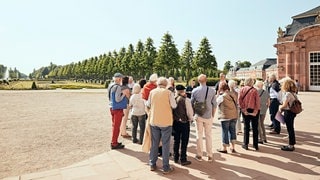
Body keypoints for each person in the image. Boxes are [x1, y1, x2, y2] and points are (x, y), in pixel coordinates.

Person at [146, 77, 177, 174]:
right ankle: (166, 167)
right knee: (165, 144)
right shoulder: (169, 93)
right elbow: (174, 105)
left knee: (154, 143)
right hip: (166, 121)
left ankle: (152, 164)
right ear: (166, 84)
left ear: (158, 84)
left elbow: (148, 104)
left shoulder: (152, 92)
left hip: (154, 120)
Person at [191, 74, 217, 162]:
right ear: (206, 80)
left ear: (198, 81)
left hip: (198, 115)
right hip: (208, 115)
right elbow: (214, 104)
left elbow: (191, 103)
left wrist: (193, 114)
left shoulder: (195, 91)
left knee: (199, 135)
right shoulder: (212, 91)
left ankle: (199, 155)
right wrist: (213, 115)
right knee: (208, 135)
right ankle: (210, 155)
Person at [172, 85, 194, 166]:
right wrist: (191, 119)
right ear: (183, 91)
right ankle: (183, 159)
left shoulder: (173, 99)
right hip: (184, 122)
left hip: (175, 121)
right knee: (184, 141)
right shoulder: (186, 100)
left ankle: (175, 157)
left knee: (176, 140)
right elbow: (189, 112)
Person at [108, 73, 130, 149]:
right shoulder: (117, 87)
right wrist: (123, 94)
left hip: (111, 107)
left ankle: (114, 141)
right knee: (116, 127)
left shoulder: (110, 85)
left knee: (114, 126)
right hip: (117, 109)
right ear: (119, 79)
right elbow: (118, 99)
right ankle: (114, 143)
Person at [238, 77, 260, 151]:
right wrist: (256, 111)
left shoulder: (242, 89)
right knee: (255, 128)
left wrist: (243, 110)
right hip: (253, 109)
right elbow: (257, 102)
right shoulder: (254, 90)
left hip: (246, 109)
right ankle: (255, 145)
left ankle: (245, 144)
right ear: (252, 82)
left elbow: (239, 100)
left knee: (246, 127)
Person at [216, 82, 238, 153]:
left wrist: (218, 93)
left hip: (225, 116)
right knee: (233, 130)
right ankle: (233, 147)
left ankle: (224, 148)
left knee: (225, 131)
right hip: (234, 115)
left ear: (221, 88)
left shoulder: (222, 96)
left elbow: (216, 103)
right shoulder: (233, 95)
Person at [279, 79, 298, 151]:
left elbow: (284, 105)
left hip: (288, 112)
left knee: (290, 129)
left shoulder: (288, 94)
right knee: (291, 128)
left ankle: (291, 145)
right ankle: (292, 143)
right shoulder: (293, 93)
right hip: (293, 112)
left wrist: (280, 108)